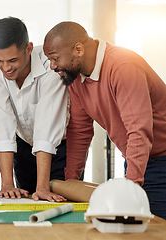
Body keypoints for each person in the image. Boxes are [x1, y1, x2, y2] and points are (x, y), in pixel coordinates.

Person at [43, 21, 166, 219]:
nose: (52, 66)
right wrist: (70, 184)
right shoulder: (75, 78)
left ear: (78, 49)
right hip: (137, 157)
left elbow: (138, 131)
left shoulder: (123, 66)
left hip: (161, 159)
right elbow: (80, 131)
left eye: (55, 58)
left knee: (153, 228)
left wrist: (130, 187)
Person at [0, 17, 69, 201]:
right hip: (22, 145)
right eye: (0, 60)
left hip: (58, 148)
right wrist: (6, 184)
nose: (6, 68)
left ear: (29, 48)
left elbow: (46, 128)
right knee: (23, 206)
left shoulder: (50, 65)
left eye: (12, 60)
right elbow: (2, 121)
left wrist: (43, 187)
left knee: (58, 208)